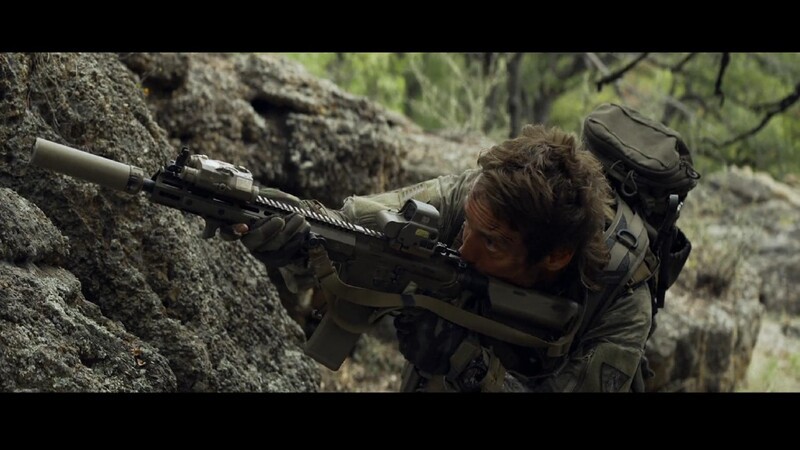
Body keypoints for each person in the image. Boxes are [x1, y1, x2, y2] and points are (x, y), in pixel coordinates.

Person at [223, 124, 653, 392]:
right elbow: (356, 228)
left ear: (556, 256)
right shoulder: (477, 198)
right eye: (467, 226)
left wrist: (466, 363)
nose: (464, 249)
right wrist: (298, 236)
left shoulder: (622, 301)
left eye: (493, 243)